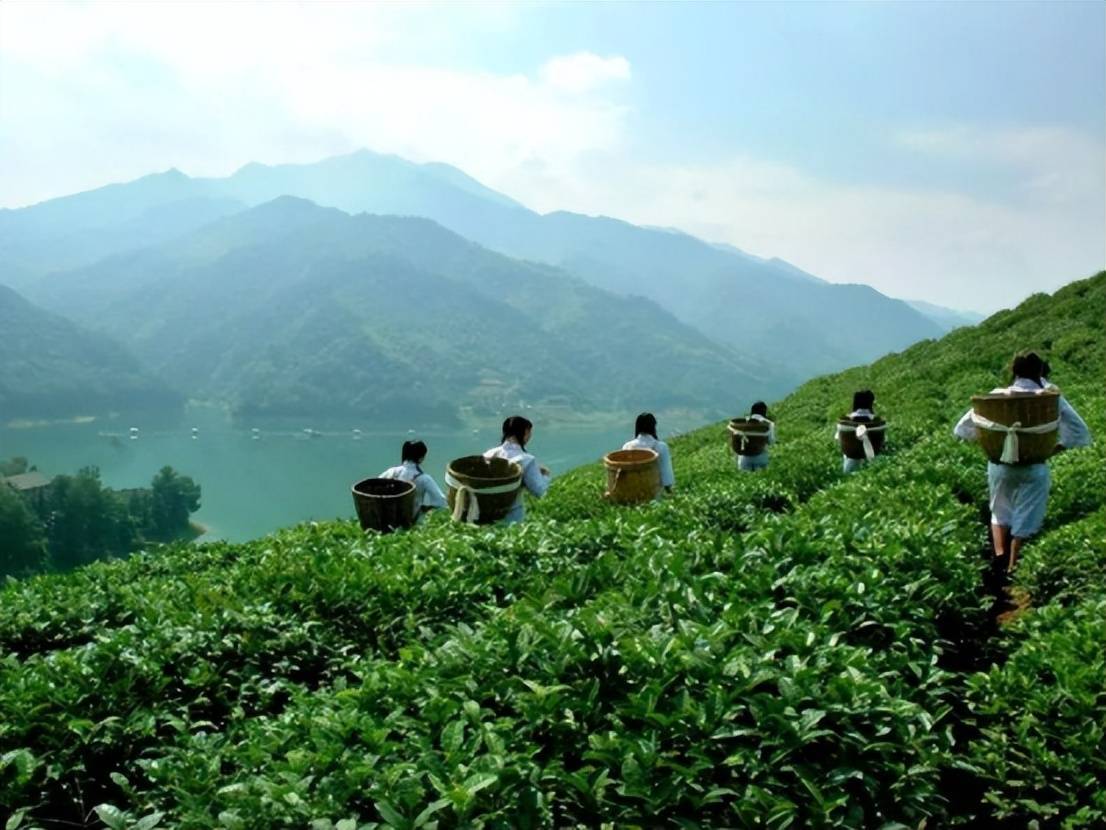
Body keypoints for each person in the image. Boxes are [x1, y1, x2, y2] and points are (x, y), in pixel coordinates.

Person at [954, 351, 1091, 581]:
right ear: (1040, 372)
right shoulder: (1050, 398)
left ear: (1014, 371)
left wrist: (992, 440)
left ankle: (999, 555)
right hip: (1034, 466)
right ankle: (1013, 568)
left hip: (1000, 465)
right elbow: (1080, 432)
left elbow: (961, 430)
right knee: (1028, 515)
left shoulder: (996, 397)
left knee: (999, 510)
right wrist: (1055, 448)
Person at [483, 415, 551, 523]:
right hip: (511, 517)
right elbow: (541, 491)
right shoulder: (526, 460)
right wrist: (545, 475)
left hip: (484, 515)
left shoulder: (488, 455)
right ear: (525, 432)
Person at [378, 440, 447, 517]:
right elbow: (440, 500)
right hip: (413, 520)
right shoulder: (424, 478)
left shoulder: (391, 472)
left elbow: (373, 486)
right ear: (421, 458)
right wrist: (425, 509)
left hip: (390, 519)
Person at [622, 412, 676, 492]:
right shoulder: (661, 446)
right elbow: (666, 476)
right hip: (654, 492)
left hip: (632, 492)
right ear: (653, 426)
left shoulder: (627, 446)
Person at [836, 390, 877, 473]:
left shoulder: (845, 421)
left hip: (851, 460)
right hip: (873, 459)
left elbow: (838, 438)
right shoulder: (876, 421)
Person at [735, 401, 776, 472]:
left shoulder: (744, 422)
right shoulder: (769, 424)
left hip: (744, 459)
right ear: (764, 412)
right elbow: (771, 441)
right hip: (761, 458)